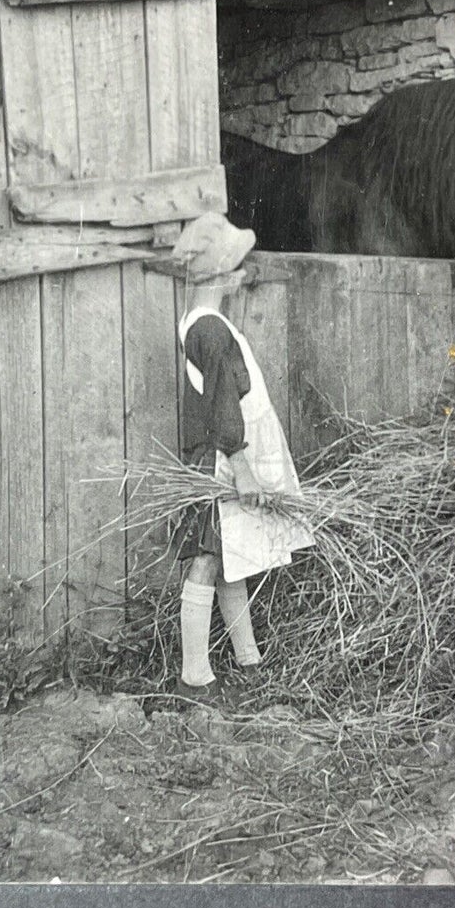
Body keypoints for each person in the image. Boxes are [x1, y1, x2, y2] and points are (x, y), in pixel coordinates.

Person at [171, 212, 313, 700]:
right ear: (219, 275)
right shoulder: (209, 329)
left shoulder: (204, 322)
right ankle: (195, 674)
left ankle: (247, 658)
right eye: (236, 264)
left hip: (227, 453)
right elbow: (222, 405)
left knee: (230, 558)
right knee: (209, 561)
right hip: (223, 459)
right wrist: (243, 467)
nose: (242, 272)